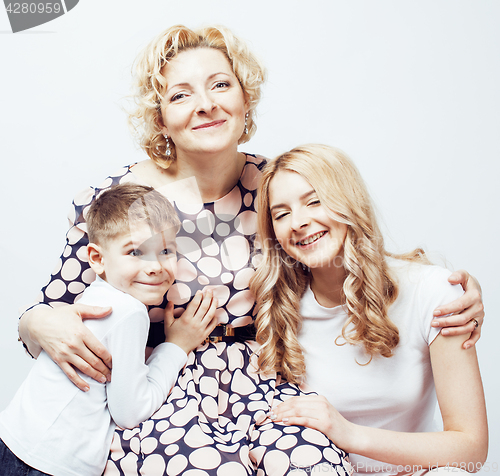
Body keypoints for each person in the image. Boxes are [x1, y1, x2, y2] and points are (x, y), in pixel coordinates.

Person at [16, 25, 484, 475]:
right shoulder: (117, 201)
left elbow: (346, 246)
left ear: (245, 99)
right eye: (181, 95)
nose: (206, 105)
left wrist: (451, 289)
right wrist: (32, 320)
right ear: (160, 119)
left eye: (221, 84)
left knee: (313, 463)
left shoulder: (278, 186)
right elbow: (58, 316)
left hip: (267, 383)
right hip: (162, 390)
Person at [250, 144, 488, 476]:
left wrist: (350, 434)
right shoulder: (279, 309)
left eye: (314, 201)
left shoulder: (434, 292)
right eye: (282, 213)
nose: (299, 222)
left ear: (348, 202)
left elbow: (472, 448)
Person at [0, 183, 218, 475]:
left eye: (166, 250)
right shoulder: (129, 313)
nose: (154, 266)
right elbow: (130, 412)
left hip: (15, 438)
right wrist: (176, 347)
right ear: (97, 259)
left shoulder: (98, 294)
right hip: (46, 464)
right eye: (135, 252)